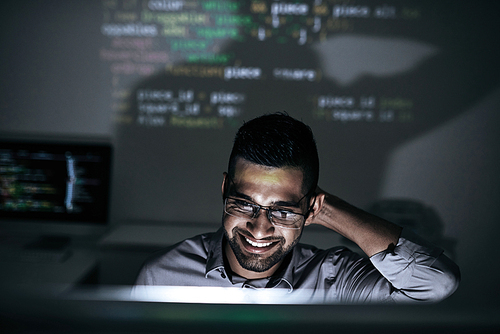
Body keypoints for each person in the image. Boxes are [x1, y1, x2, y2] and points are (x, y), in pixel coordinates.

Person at [134, 112, 460, 303]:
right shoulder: (161, 275)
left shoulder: (336, 282)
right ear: (224, 190)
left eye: (283, 211)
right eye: (245, 204)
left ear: (311, 207)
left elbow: (437, 283)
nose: (259, 229)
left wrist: (327, 209)